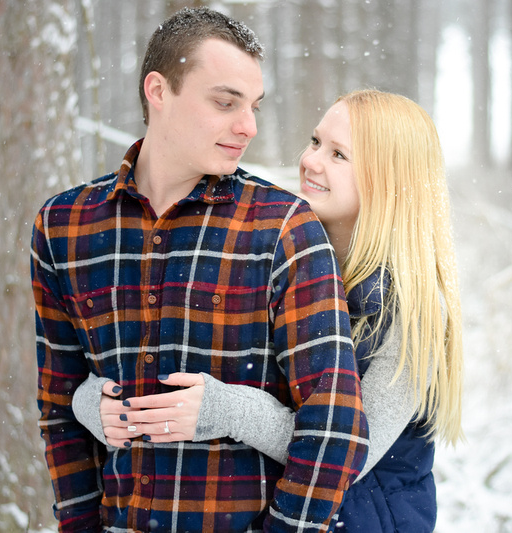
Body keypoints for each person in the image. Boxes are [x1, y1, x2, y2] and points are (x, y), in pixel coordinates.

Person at [30, 8, 368, 532]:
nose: (248, 126)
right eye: (225, 102)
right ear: (159, 91)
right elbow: (58, 408)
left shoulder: (283, 227)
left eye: (254, 106)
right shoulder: (63, 226)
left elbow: (335, 426)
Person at [73, 89, 464, 532]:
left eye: (339, 155)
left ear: (390, 182)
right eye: (316, 142)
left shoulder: (412, 314)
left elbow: (347, 455)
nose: (311, 161)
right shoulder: (283, 258)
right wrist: (96, 401)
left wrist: (231, 411)